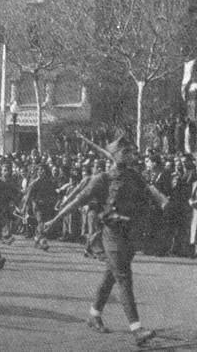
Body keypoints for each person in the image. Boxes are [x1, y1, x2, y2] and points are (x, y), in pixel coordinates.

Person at [43, 136, 163, 346]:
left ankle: (94, 314)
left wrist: (159, 199)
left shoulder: (134, 176)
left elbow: (147, 195)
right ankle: (137, 329)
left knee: (111, 275)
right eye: (125, 152)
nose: (130, 155)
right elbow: (77, 200)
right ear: (114, 155)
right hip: (112, 235)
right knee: (124, 277)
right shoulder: (102, 179)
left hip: (130, 234)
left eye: (130, 152)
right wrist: (55, 219)